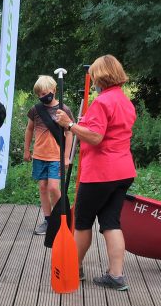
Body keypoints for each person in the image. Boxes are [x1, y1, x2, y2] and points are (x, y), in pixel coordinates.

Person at [53, 55, 134, 290]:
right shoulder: (124, 101)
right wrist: (82, 124)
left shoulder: (102, 101)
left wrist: (69, 125)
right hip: (123, 170)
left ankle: (73, 268)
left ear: (100, 76)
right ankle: (116, 275)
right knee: (111, 223)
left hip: (101, 172)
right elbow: (108, 130)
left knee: (82, 222)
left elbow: (97, 138)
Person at [24, 75, 74, 235]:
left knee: (53, 187)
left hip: (56, 157)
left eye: (45, 93)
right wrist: (26, 149)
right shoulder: (35, 110)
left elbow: (70, 133)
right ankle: (47, 220)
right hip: (39, 155)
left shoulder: (63, 110)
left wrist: (66, 156)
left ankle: (60, 218)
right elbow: (29, 129)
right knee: (43, 187)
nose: (42, 96)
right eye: (39, 94)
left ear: (54, 90)